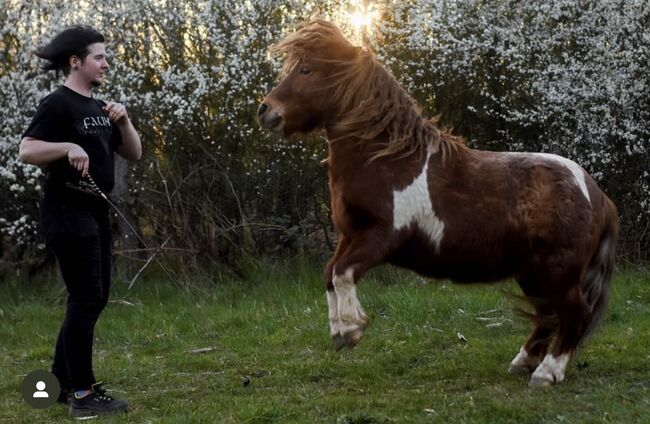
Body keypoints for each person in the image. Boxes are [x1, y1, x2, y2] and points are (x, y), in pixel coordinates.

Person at [19, 25, 141, 417]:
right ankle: (84, 396)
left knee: (94, 297)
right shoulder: (57, 104)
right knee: (86, 298)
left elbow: (134, 153)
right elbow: (27, 150)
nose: (106, 63)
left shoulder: (101, 109)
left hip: (96, 213)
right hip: (66, 211)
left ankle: (58, 382)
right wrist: (67, 146)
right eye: (99, 57)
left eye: (106, 57)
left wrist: (124, 122)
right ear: (76, 62)